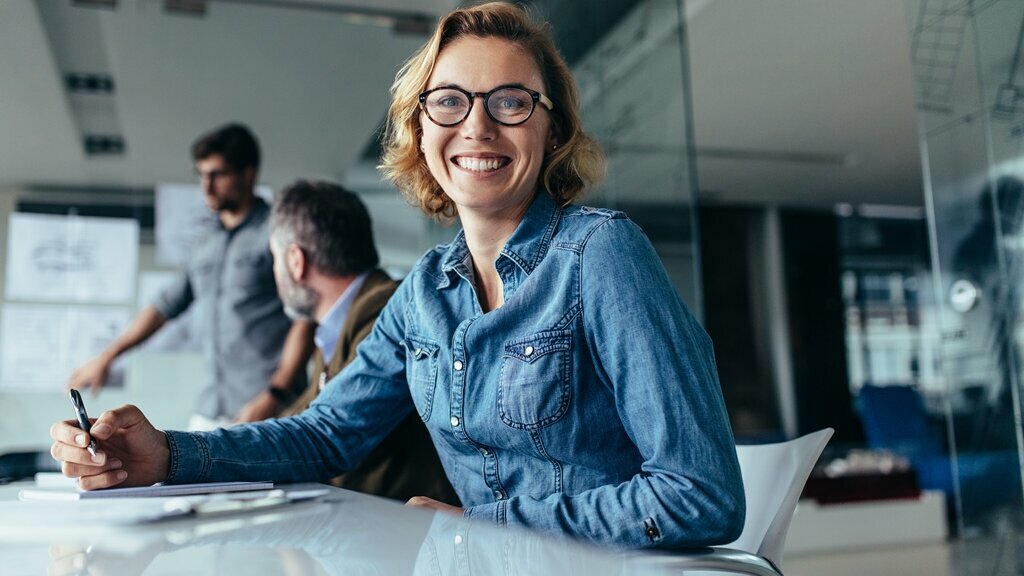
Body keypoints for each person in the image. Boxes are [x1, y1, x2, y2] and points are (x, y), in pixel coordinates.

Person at [50, 3, 743, 549]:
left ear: (551, 131)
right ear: (420, 130)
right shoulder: (424, 293)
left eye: (510, 101)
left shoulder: (601, 255)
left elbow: (699, 492)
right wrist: (164, 454)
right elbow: (325, 436)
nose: (477, 126)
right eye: (450, 101)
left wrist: (498, 525)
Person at [66, 123, 315, 429]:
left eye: (218, 175)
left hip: (272, 407)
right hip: (212, 408)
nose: (206, 186)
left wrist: (274, 394)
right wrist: (107, 357)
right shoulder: (204, 241)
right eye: (201, 174)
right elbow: (164, 306)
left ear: (248, 173)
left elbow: (305, 317)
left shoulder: (278, 232)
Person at [271, 179, 458, 504]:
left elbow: (325, 433)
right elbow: (310, 412)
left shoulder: (381, 311)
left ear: (295, 261)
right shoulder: (334, 328)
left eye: (274, 259)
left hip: (404, 536)